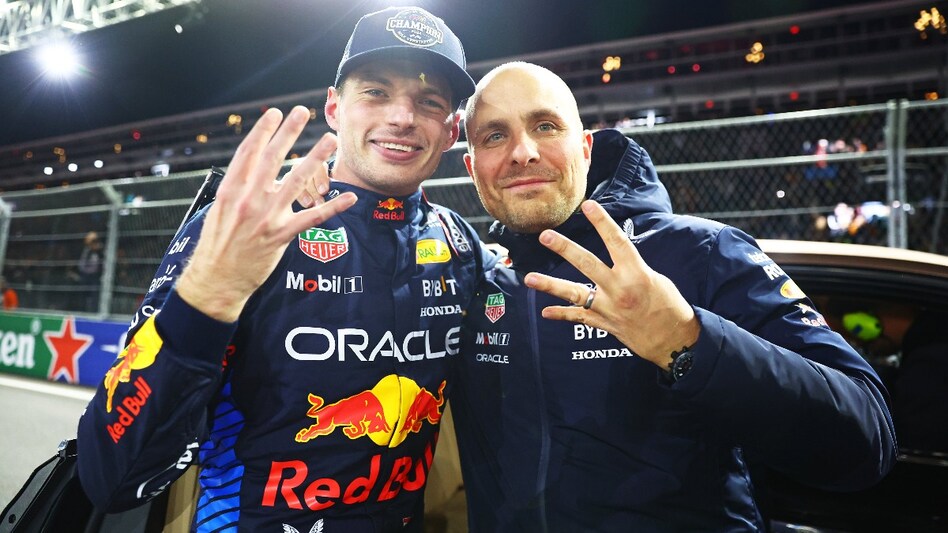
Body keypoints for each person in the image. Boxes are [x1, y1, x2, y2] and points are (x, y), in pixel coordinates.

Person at [77, 7, 485, 532]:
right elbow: (112, 477)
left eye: (429, 102)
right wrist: (208, 297)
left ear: (451, 130)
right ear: (335, 109)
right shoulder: (252, 220)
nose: (402, 117)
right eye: (376, 92)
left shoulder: (460, 245)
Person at [450, 62, 897, 531]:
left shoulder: (701, 252)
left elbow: (867, 441)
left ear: (584, 148)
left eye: (545, 126)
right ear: (472, 166)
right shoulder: (473, 278)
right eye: (494, 136)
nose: (522, 152)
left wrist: (686, 341)